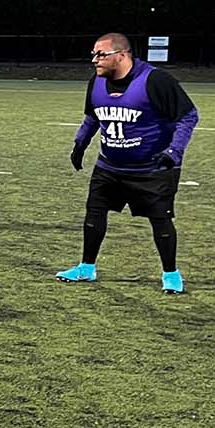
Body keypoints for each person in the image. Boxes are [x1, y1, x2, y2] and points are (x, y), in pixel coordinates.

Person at [56, 32, 199, 294]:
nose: (94, 60)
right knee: (94, 213)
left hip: (152, 168)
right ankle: (87, 268)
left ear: (121, 55)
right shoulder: (96, 82)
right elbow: (93, 116)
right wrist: (80, 143)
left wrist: (174, 152)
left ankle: (171, 274)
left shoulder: (155, 80)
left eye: (101, 54)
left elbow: (188, 116)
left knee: (160, 220)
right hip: (109, 166)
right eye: (93, 54)